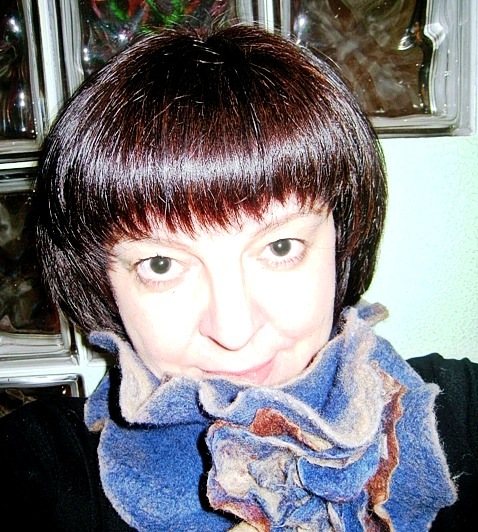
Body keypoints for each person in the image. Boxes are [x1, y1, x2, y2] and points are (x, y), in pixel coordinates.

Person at [0, 24, 476, 531]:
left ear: (343, 241)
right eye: (161, 265)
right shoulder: (39, 468)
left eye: (280, 247)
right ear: (102, 281)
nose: (233, 332)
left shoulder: (462, 412)